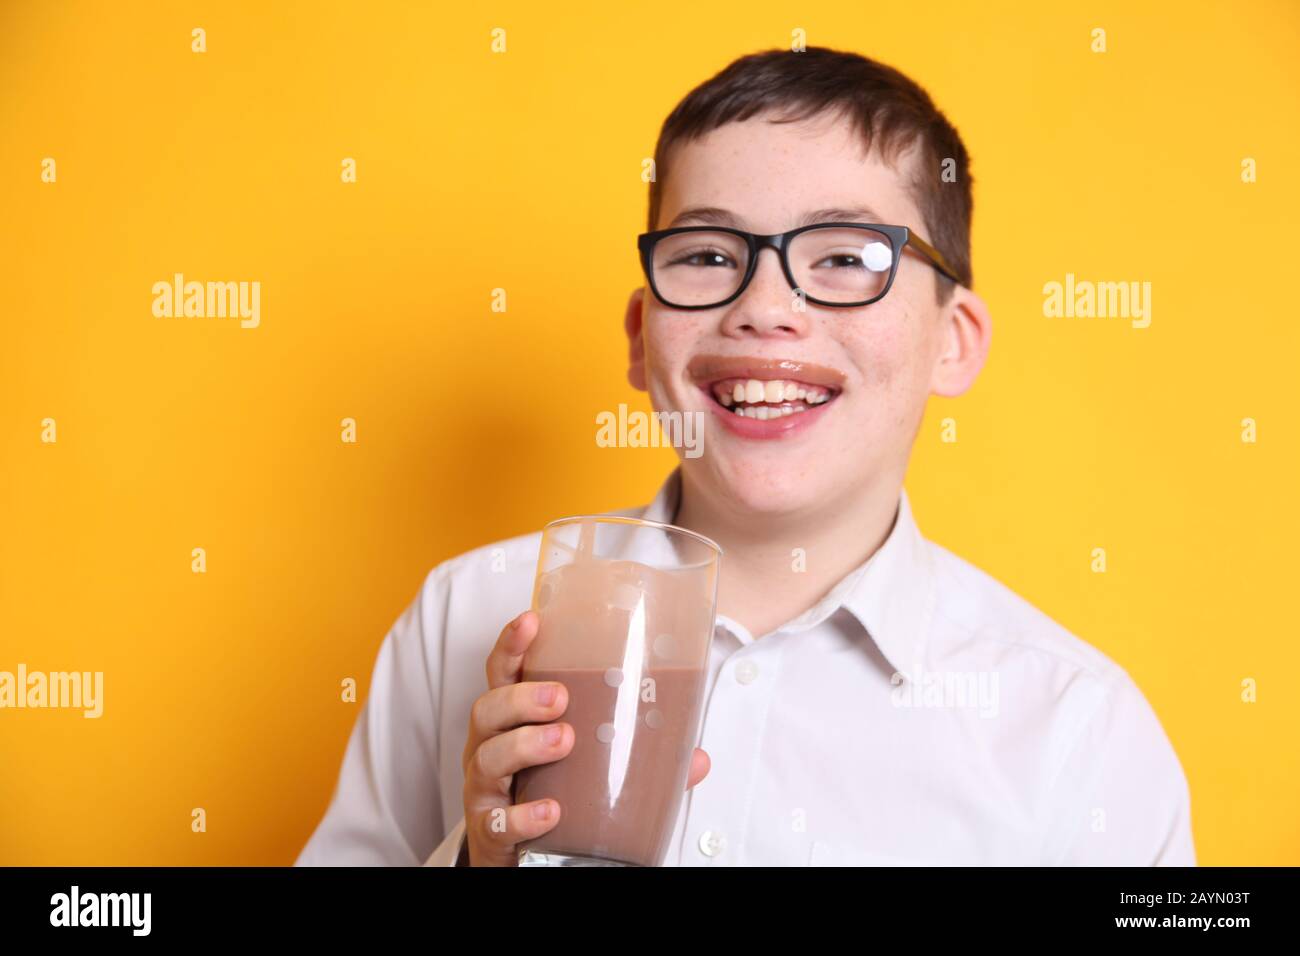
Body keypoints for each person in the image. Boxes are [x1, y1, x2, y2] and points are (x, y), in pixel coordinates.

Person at [296, 46, 1195, 867]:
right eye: (707, 255)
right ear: (644, 339)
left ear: (952, 342)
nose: (765, 307)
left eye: (845, 256)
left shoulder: (1080, 733)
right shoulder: (464, 616)